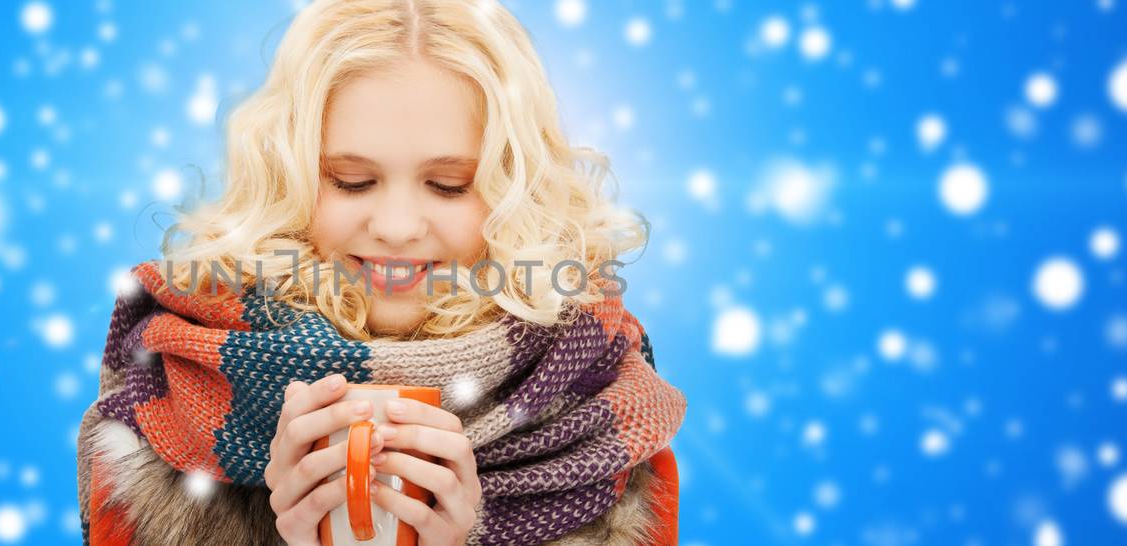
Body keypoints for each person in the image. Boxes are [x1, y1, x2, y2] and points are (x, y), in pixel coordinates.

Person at [76, 1, 687, 544]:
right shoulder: (171, 402)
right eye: (352, 181)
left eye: (448, 186)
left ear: (513, 191)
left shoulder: (596, 408)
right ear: (287, 178)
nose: (396, 226)